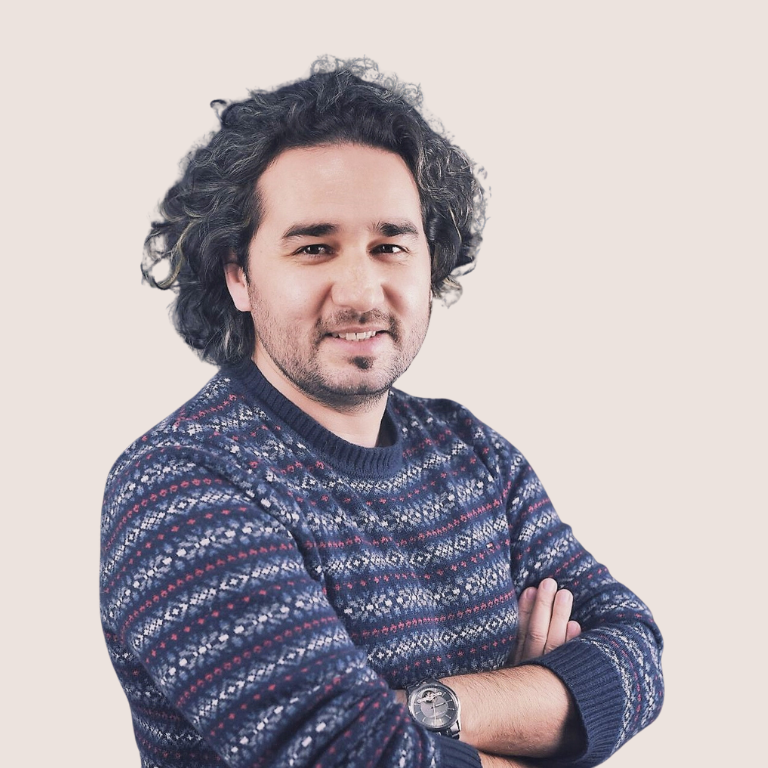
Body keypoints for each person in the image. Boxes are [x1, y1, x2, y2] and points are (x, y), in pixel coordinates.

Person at [100, 57, 663, 768]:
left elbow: (635, 655)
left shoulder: (470, 454)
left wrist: (431, 712)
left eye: (390, 245)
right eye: (314, 248)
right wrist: (536, 709)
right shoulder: (182, 487)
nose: (361, 292)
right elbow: (355, 757)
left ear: (432, 262)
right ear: (238, 274)